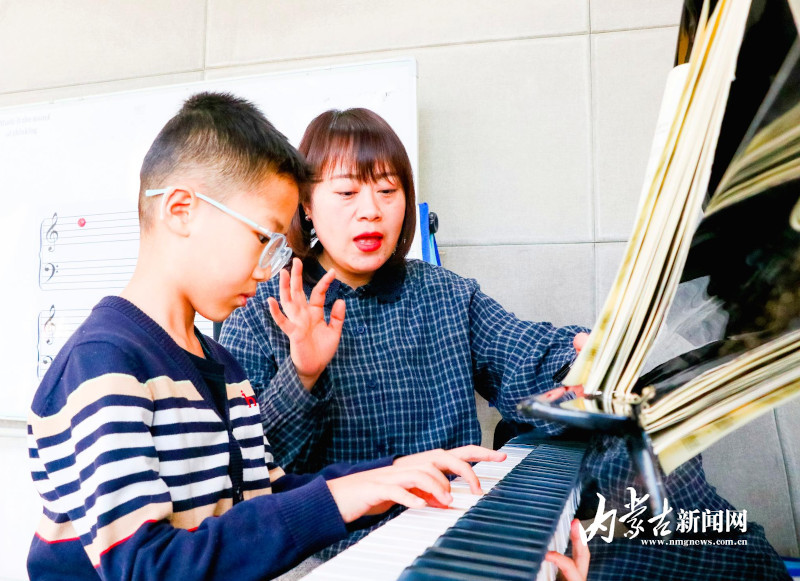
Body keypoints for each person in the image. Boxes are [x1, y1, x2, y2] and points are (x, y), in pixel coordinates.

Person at [221, 107, 791, 580]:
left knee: (661, 499)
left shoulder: (443, 293)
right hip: (358, 541)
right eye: (346, 191)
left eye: (388, 190)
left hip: (466, 508)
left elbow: (522, 351)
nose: (370, 210)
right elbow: (253, 479)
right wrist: (303, 372)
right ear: (306, 205)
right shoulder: (259, 310)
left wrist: (584, 354)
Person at [26, 93, 515, 581]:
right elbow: (147, 567)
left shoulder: (221, 365)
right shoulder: (102, 364)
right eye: (264, 238)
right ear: (181, 210)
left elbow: (264, 497)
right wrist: (340, 495)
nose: (269, 268)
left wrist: (392, 473)